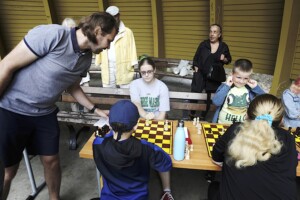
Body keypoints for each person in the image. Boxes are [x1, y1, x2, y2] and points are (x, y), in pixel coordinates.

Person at [0, 12, 118, 200]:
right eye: (109, 40)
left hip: (44, 113)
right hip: (12, 109)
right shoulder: (53, 35)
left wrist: (95, 110)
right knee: (9, 171)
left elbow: (73, 86)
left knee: (51, 161)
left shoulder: (86, 58)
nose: (108, 46)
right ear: (98, 31)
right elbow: (6, 66)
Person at [209, 94, 298, 200]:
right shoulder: (288, 138)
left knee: (214, 187)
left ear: (246, 114)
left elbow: (216, 157)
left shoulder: (235, 130)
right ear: (282, 119)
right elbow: (292, 166)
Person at [93, 100, 174, 200]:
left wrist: (111, 126)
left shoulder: (97, 143)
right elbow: (165, 162)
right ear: (136, 126)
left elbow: (97, 133)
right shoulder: (145, 147)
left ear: (109, 124)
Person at [190, 24, 232, 119]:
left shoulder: (223, 46)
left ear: (219, 34)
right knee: (195, 93)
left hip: (214, 76)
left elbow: (228, 60)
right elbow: (196, 57)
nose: (212, 34)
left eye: (215, 32)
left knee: (209, 97)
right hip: (200, 74)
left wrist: (224, 58)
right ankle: (192, 113)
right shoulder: (203, 44)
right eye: (210, 31)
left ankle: (203, 115)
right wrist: (196, 67)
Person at [95, 5, 137, 88]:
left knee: (126, 90)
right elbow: (99, 44)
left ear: (119, 16)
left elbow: (132, 48)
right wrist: (98, 60)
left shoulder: (127, 32)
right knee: (108, 89)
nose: (113, 19)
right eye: (110, 17)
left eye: (115, 16)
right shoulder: (102, 31)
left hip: (124, 65)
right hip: (108, 65)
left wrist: (133, 62)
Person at [212, 58, 265, 123]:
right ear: (232, 74)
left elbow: (265, 101)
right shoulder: (225, 86)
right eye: (238, 77)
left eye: (245, 78)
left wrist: (256, 88)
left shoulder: (250, 89)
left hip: (242, 127)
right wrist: (227, 86)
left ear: (249, 78)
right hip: (222, 125)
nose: (241, 81)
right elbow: (216, 102)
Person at [62, 17, 91, 113]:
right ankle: (75, 114)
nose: (70, 30)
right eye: (67, 28)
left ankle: (87, 115)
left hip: (82, 76)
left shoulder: (83, 44)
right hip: (69, 77)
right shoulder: (62, 44)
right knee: (72, 98)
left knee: (86, 94)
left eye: (72, 27)